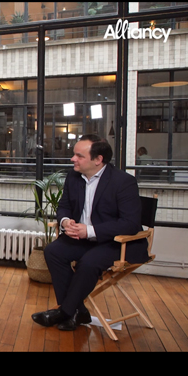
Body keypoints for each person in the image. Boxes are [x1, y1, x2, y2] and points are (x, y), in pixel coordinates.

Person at [31, 134, 150, 331]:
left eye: (79, 156)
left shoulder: (123, 182)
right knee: (53, 251)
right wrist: (65, 221)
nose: (73, 159)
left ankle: (65, 311)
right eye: (74, 154)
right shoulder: (73, 177)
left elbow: (130, 224)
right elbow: (64, 206)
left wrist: (90, 231)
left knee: (89, 262)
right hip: (83, 239)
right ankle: (78, 311)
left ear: (98, 160)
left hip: (116, 242)